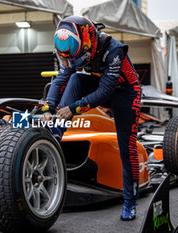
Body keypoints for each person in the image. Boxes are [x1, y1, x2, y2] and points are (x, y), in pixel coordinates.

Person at [40, 16, 141, 220]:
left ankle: (130, 201)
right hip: (99, 85)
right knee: (76, 77)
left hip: (126, 93)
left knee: (127, 148)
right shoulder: (72, 50)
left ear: (89, 41)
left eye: (77, 58)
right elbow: (61, 78)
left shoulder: (114, 50)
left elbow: (105, 92)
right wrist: (48, 108)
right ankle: (54, 136)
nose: (73, 62)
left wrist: (73, 108)